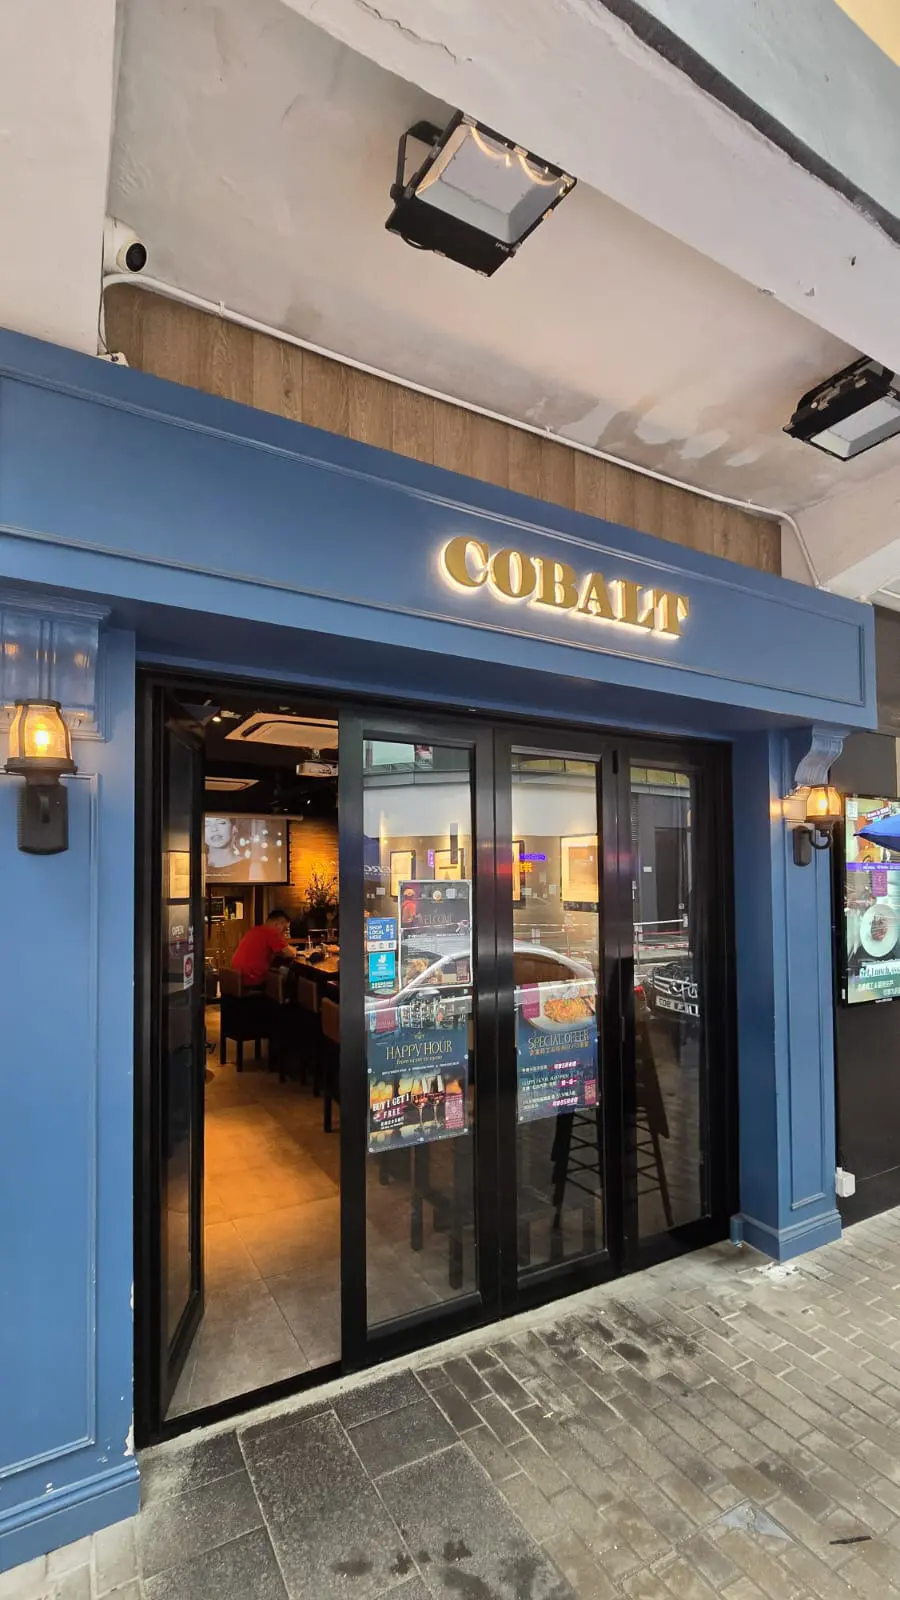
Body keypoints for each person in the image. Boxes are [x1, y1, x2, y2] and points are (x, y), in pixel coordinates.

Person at [231, 909, 297, 989]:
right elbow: (290, 953)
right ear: (277, 924)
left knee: (280, 972)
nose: (284, 932)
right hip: (252, 980)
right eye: (285, 929)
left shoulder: (254, 930)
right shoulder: (271, 933)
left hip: (237, 978)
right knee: (290, 978)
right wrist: (293, 949)